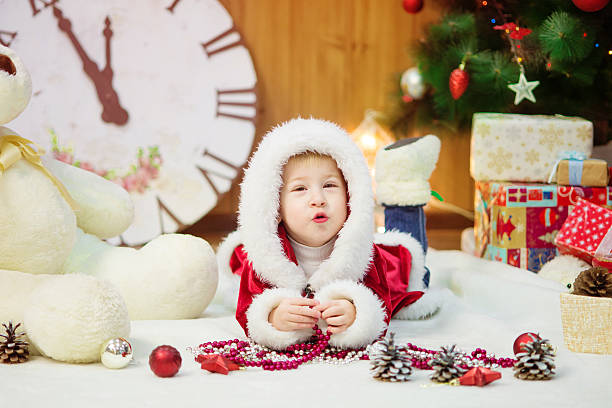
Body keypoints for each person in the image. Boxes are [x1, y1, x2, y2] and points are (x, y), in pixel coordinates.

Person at [216, 118, 441, 350]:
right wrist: (273, 316)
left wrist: (356, 311)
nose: (318, 199)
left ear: (350, 196)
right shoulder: (266, 257)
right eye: (300, 189)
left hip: (392, 267)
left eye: (330, 186)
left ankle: (402, 180)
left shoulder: (364, 253)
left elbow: (380, 302)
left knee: (413, 260)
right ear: (275, 206)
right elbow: (248, 307)